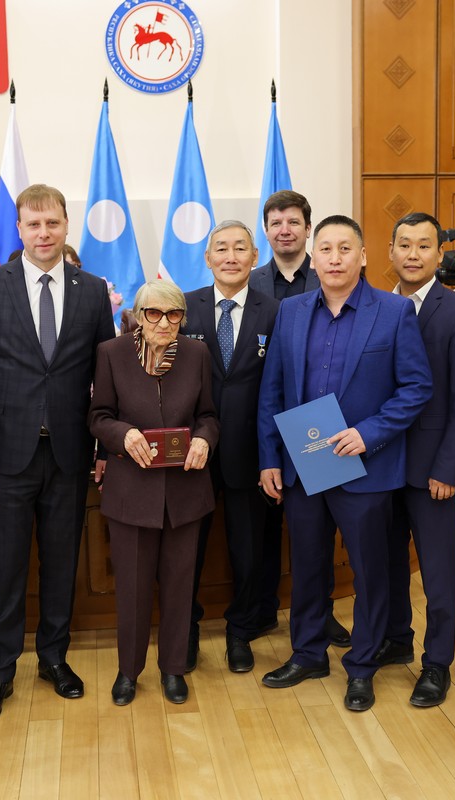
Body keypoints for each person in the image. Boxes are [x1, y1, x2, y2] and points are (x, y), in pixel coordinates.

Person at [258, 214, 432, 712]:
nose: (334, 258)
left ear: (362, 257)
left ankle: (363, 664)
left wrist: (368, 434)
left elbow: (416, 387)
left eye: (344, 249)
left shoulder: (395, 312)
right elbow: (272, 391)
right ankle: (308, 652)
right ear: (314, 257)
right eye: (326, 249)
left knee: (369, 571)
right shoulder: (290, 312)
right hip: (303, 464)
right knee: (308, 566)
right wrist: (270, 457)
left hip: (366, 466)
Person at [0, 184, 116, 723]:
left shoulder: (92, 290)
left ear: (66, 225)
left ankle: (54, 658)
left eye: (52, 223)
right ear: (18, 229)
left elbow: (105, 381)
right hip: (3, 458)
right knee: (3, 569)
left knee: (61, 563)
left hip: (69, 455)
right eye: (33, 224)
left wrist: (103, 449)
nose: (43, 233)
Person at [90, 280, 219, 705]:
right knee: (132, 587)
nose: (164, 323)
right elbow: (99, 416)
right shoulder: (112, 354)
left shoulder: (197, 354)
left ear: (183, 318)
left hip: (185, 492)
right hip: (133, 492)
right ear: (139, 316)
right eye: (154, 314)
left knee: (181, 587)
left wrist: (204, 439)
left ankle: (173, 669)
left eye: (174, 314)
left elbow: (208, 416)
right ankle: (128, 671)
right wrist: (122, 434)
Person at [382, 213, 455, 707]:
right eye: (404, 245)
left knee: (439, 570)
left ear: (439, 254)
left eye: (424, 246)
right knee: (385, 564)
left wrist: (449, 469)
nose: (413, 254)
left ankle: (437, 661)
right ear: (390, 251)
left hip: (431, 470)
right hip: (379, 464)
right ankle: (396, 639)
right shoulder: (377, 307)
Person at [248, 189, 350, 650]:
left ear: (308, 228)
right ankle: (267, 612)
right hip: (268, 427)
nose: (284, 229)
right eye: (275, 223)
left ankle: (320, 617)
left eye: (293, 221)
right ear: (266, 231)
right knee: (269, 532)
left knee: (321, 537)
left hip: (330, 431)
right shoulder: (249, 284)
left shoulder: (332, 277)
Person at [181, 221, 279, 673]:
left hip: (252, 453)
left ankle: (241, 632)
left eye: (241, 248)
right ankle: (187, 631)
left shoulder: (276, 310)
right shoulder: (182, 306)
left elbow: (284, 385)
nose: (231, 255)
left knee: (247, 550)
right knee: (188, 550)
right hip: (192, 455)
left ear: (254, 256)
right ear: (207, 258)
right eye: (221, 248)